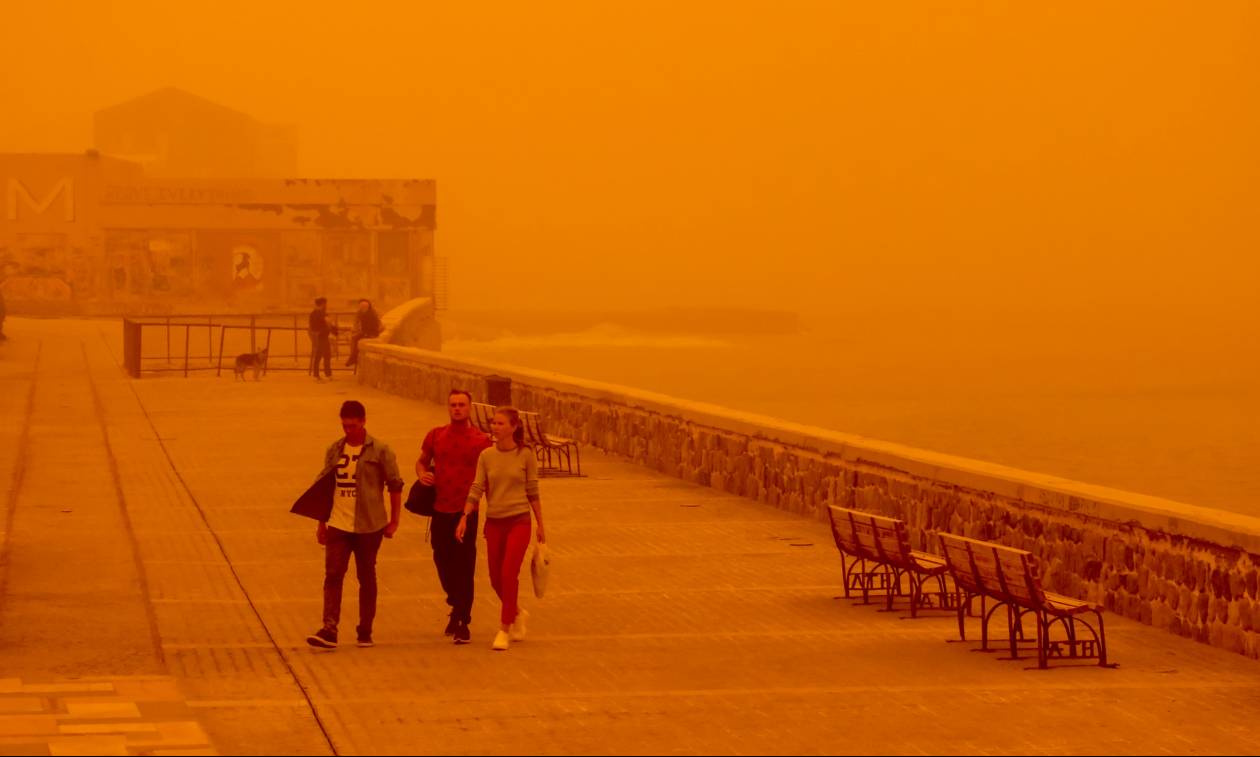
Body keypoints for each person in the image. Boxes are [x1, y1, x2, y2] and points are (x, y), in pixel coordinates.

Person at [306, 400, 404, 649]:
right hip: (338, 523)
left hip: (369, 525)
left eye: (352, 425)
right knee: (333, 575)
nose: (348, 430)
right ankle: (329, 629)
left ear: (363, 422)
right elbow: (325, 487)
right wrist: (321, 523)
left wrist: (394, 521)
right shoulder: (334, 450)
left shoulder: (381, 450)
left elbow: (395, 486)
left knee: (366, 576)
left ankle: (365, 629)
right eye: (344, 426)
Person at [457, 406, 545, 651]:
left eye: (500, 423)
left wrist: (540, 524)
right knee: (496, 579)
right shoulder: (486, 456)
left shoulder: (525, 454)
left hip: (519, 521)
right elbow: (477, 487)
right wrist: (465, 515)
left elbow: (533, 490)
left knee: (508, 574)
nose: (495, 427)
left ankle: (504, 629)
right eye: (493, 423)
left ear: (513, 427)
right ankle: (517, 612)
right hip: (494, 522)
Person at [416, 389, 491, 644]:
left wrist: (491, 514)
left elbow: (489, 478)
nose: (457, 408)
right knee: (442, 560)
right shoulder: (436, 435)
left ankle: (462, 620)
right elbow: (422, 461)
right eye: (453, 405)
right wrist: (422, 474)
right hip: (440, 509)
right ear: (448, 408)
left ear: (469, 408)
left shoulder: (482, 441)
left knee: (465, 565)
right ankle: (455, 602)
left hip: (467, 511)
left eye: (461, 405)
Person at [346, 298, 382, 367]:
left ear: (365, 307)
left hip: (371, 334)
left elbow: (371, 327)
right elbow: (356, 322)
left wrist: (363, 333)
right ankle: (353, 357)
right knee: (354, 338)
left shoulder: (370, 314)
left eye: (361, 308)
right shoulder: (364, 312)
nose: (360, 309)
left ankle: (353, 357)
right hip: (368, 332)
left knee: (355, 338)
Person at [308, 297, 337, 381]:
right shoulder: (321, 313)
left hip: (317, 336)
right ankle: (327, 375)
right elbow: (329, 323)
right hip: (322, 336)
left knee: (318, 355)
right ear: (323, 304)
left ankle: (316, 375)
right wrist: (335, 332)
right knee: (326, 355)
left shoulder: (313, 313)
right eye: (325, 304)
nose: (326, 306)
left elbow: (313, 326)